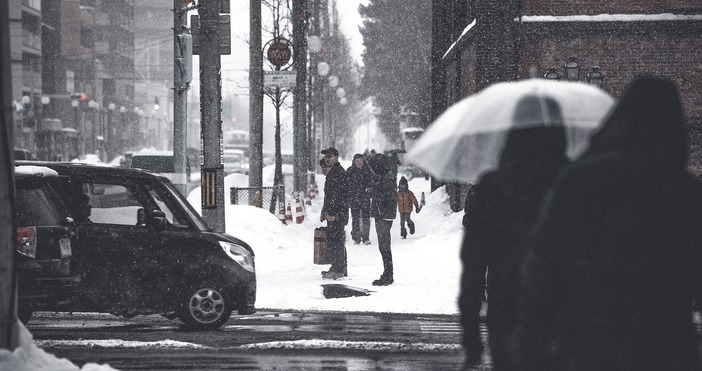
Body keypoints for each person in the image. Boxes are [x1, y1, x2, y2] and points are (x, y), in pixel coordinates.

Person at [514, 76, 702, 371]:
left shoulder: (580, 182)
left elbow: (543, 273)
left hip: (587, 346)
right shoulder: (684, 192)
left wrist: (531, 351)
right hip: (665, 348)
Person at [459, 94, 570, 370]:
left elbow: (473, 264)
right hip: (560, 312)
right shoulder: (572, 183)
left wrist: (471, 336)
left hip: (507, 306)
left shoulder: (494, 187)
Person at [365, 153, 398, 286]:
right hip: (383, 214)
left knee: (384, 245)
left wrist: (371, 192)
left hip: (384, 215)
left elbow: (386, 196)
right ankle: (387, 273)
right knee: (383, 245)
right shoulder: (385, 177)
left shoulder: (387, 178)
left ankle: (388, 274)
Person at [320, 147, 349, 280]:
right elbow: (330, 196)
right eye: (326, 156)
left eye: (330, 156)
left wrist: (333, 213)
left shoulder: (338, 173)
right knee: (335, 240)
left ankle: (338, 269)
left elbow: (338, 197)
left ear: (336, 157)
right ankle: (338, 267)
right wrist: (324, 210)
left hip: (337, 214)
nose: (327, 158)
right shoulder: (334, 172)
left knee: (336, 241)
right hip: (334, 213)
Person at [346, 153, 372, 245]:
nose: (359, 163)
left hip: (365, 197)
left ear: (363, 161)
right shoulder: (350, 171)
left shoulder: (367, 171)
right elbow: (346, 185)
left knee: (366, 218)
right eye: (357, 161)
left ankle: (366, 237)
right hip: (354, 198)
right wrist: (349, 197)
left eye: (360, 160)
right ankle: (356, 237)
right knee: (355, 218)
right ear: (354, 161)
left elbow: (371, 182)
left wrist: (369, 189)